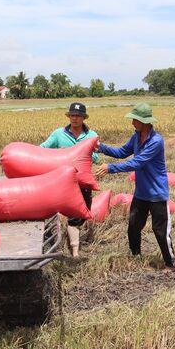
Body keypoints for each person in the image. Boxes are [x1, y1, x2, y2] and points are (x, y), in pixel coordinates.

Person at [95, 102, 175, 271]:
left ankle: (171, 263)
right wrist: (101, 147)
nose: (132, 122)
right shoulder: (136, 137)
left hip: (157, 194)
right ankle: (135, 255)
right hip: (141, 193)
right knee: (133, 226)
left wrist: (110, 168)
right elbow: (122, 152)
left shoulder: (156, 141)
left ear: (145, 122)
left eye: (135, 119)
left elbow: (137, 163)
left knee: (159, 231)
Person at [40, 102, 99, 257]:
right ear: (69, 116)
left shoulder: (91, 136)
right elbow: (43, 148)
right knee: (72, 216)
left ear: (83, 118)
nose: (75, 118)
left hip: (83, 182)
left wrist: (77, 155)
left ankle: (71, 236)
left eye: (78, 116)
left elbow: (96, 156)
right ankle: (75, 252)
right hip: (62, 182)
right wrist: (60, 154)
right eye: (72, 115)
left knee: (84, 212)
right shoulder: (58, 134)